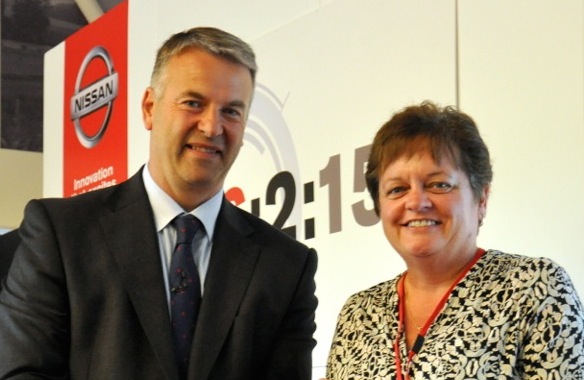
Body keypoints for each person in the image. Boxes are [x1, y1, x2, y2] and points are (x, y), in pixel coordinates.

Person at [0, 27, 318, 379]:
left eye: (231, 111)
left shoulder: (286, 264)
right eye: (193, 103)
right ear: (150, 108)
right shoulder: (61, 234)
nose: (212, 126)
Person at [325, 101, 584, 379]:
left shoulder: (534, 287)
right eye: (398, 189)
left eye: (439, 184)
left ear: (481, 198)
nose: (416, 202)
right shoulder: (358, 313)